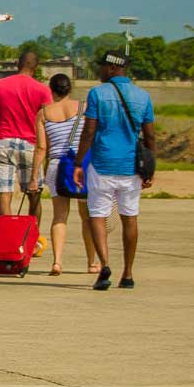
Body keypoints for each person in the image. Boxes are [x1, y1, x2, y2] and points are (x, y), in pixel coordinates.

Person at [75, 50, 156, 290]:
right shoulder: (143, 96)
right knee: (130, 218)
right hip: (131, 167)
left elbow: (89, 132)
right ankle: (128, 273)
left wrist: (79, 163)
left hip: (102, 165)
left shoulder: (97, 94)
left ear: (112, 68)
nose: (99, 71)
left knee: (97, 215)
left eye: (102, 67)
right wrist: (150, 168)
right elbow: (150, 136)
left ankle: (105, 264)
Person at [0, 48, 54, 218]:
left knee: (4, 195)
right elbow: (48, 123)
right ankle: (31, 236)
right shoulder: (43, 90)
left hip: (4, 144)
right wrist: (48, 154)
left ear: (17, 64)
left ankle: (8, 236)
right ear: (36, 67)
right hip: (30, 146)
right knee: (34, 196)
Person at [36, 73, 89, 275]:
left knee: (60, 216)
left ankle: (57, 261)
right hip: (80, 166)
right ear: (70, 88)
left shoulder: (43, 114)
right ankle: (92, 262)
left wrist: (34, 175)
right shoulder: (84, 108)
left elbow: (42, 148)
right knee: (87, 216)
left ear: (51, 90)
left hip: (56, 166)